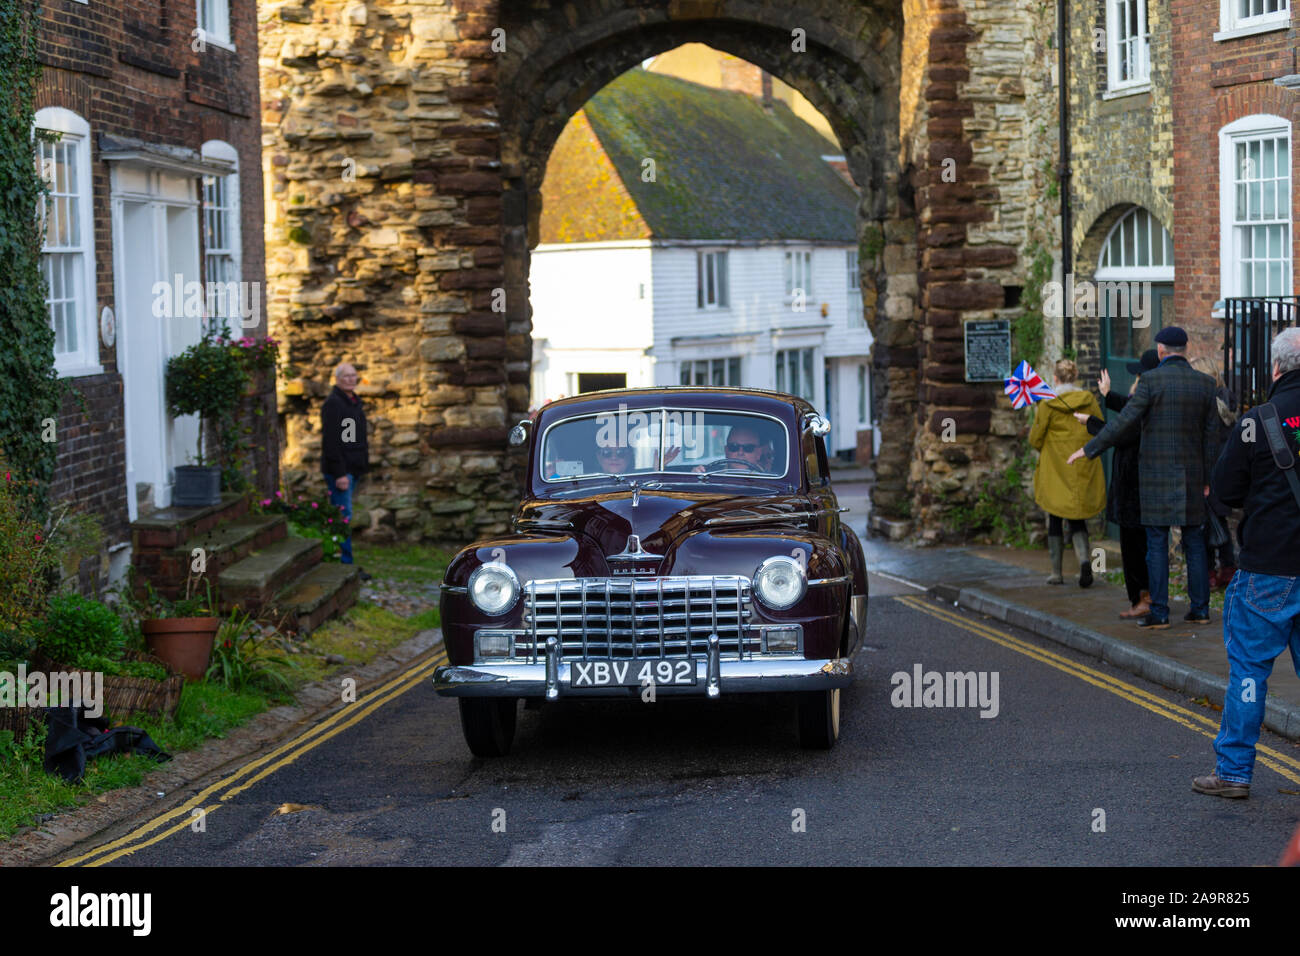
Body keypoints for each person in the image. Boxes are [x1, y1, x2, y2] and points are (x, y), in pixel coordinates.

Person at [1191, 327, 1300, 799]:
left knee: (1251, 676)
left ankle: (1234, 773)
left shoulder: (1258, 421)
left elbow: (1225, 492)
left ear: (1275, 368)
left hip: (1268, 570)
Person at [1067, 327, 1218, 629]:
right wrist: (1207, 478)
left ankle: (1159, 613)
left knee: (1157, 544)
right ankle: (1200, 610)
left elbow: (1124, 424)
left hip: (1155, 478)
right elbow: (1210, 436)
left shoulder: (1150, 381)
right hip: (1191, 476)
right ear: (1185, 348)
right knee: (1195, 544)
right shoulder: (1205, 383)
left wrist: (1089, 448)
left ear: (1161, 351)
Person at [1074, 349, 1158, 617]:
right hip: (1143, 485)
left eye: (1137, 375)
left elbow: (1121, 432)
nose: (1134, 379)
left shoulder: (1143, 403)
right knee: (1142, 545)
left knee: (1134, 548)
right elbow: (1126, 413)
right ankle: (1147, 597)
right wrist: (1108, 395)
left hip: (1133, 487)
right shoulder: (1151, 400)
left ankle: (1142, 600)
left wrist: (1092, 422)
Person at [1028, 358, 1106, 587]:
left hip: (1056, 468)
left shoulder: (1047, 404)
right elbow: (1100, 428)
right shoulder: (1088, 400)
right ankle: (1084, 561)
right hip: (1081, 464)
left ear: (1055, 378)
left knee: (1055, 516)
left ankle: (1056, 573)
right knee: (1077, 516)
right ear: (1076, 377)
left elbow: (1035, 439)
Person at [1190, 355, 1240, 588]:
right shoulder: (1227, 401)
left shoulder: (1205, 405)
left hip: (1208, 472)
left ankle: (1209, 572)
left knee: (1205, 527)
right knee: (1219, 524)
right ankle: (1228, 569)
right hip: (1226, 472)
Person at [321, 362, 369, 571]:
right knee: (342, 517)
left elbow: (349, 438)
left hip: (352, 470)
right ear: (337, 379)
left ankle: (344, 562)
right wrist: (340, 473)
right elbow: (332, 442)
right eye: (346, 376)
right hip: (341, 473)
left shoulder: (352, 402)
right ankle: (344, 565)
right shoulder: (334, 404)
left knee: (344, 516)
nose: (350, 379)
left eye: (353, 376)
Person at [693, 425, 769, 473]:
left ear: (758, 453)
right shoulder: (710, 475)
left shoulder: (769, 479)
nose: (740, 452)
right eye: (734, 447)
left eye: (748, 448)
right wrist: (695, 477)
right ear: (726, 451)